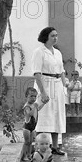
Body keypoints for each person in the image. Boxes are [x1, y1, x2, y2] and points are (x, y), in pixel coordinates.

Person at [31, 27, 67, 155]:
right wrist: (43, 92)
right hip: (45, 84)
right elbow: (36, 73)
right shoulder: (39, 52)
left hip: (57, 86)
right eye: (52, 36)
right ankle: (39, 147)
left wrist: (65, 85)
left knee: (57, 115)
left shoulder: (57, 52)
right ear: (46, 37)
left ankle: (55, 147)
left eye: (56, 35)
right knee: (44, 116)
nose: (55, 38)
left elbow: (62, 71)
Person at [22, 87, 46, 162]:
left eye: (35, 96)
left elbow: (38, 108)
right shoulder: (27, 106)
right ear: (26, 96)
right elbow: (29, 114)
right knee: (26, 142)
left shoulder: (34, 105)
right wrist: (34, 107)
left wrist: (43, 103)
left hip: (33, 127)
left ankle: (29, 154)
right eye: (31, 96)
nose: (33, 98)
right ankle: (24, 155)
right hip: (27, 128)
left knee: (31, 142)